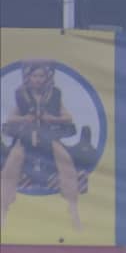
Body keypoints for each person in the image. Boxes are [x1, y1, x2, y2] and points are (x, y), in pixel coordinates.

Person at [1, 61, 81, 230]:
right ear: (29, 77)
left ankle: (73, 209)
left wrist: (53, 119)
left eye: (41, 76)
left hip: (48, 138)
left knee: (67, 163)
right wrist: (24, 119)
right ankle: (3, 211)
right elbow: (10, 119)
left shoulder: (55, 94)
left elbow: (68, 117)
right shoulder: (21, 94)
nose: (38, 79)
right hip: (26, 139)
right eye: (35, 76)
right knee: (9, 169)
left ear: (46, 78)